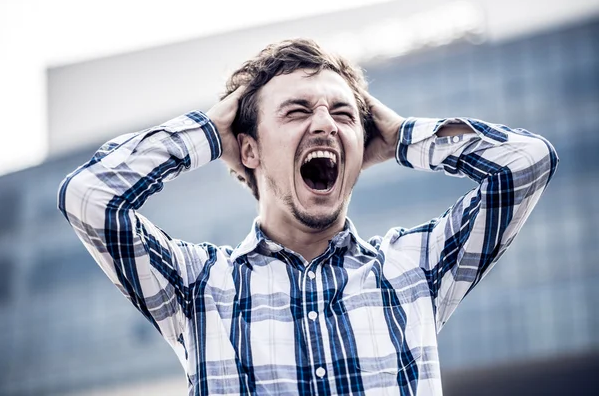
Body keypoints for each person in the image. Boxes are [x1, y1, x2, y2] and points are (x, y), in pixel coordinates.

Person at [58, 38, 558, 395]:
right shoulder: (198, 287)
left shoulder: (415, 268)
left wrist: (406, 136)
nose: (324, 123)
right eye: (297, 111)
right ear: (248, 150)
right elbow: (88, 196)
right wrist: (209, 132)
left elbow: (526, 162)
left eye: (343, 115)